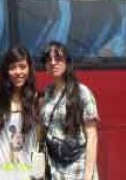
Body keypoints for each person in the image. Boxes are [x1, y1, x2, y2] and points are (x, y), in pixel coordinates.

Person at [40, 42, 99, 180]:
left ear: (67, 63)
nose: (53, 63)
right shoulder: (47, 93)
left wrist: (88, 177)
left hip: (77, 169)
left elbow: (92, 137)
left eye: (58, 59)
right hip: (54, 170)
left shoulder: (82, 92)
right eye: (49, 60)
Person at [0, 45, 39, 180]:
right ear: (6, 71)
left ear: (29, 69)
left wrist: (39, 173)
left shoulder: (36, 101)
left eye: (22, 66)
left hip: (27, 173)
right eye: (13, 67)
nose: (18, 72)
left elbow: (38, 143)